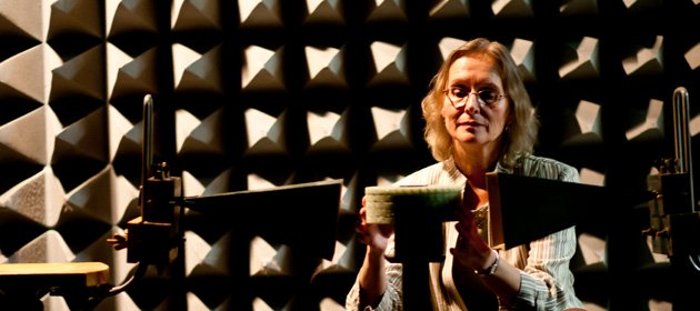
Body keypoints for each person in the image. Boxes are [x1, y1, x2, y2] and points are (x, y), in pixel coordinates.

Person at [345, 37, 585, 310]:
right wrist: (376, 252)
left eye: (487, 93)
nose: (471, 105)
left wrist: (487, 263)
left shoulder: (551, 181)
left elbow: (552, 297)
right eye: (459, 92)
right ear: (442, 107)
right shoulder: (416, 191)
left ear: (510, 112)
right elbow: (386, 306)